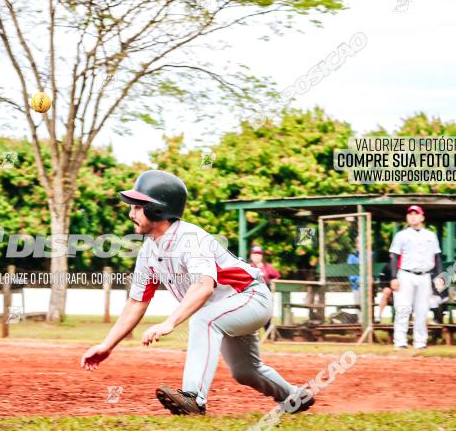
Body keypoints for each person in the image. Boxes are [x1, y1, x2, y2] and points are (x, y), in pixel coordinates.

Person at [80, 170, 312, 415]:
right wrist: (107, 345)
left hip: (250, 297)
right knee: (245, 371)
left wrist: (169, 323)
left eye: (138, 206)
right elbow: (136, 303)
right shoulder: (148, 252)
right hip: (224, 309)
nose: (131, 213)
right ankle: (294, 396)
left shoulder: (190, 238)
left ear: (157, 209)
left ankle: (194, 398)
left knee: (204, 319)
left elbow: (203, 287)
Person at [389, 205, 443, 351]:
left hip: (425, 276)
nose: (413, 216)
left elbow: (437, 257)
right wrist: (393, 277)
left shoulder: (431, 235)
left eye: (416, 214)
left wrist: (440, 276)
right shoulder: (401, 235)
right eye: (410, 214)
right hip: (405, 275)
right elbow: (394, 257)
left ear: (422, 217)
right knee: (403, 309)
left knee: (422, 310)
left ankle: (420, 342)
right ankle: (400, 341)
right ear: (407, 217)